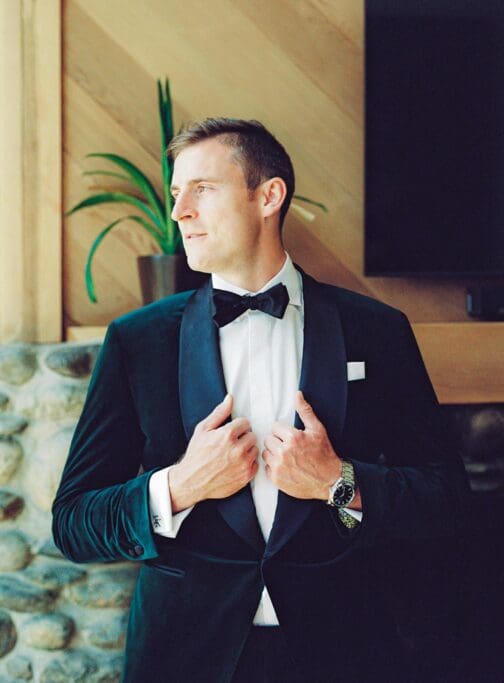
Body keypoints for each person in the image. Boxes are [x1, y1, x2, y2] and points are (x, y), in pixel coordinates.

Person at [52, 118, 468, 681]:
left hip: (344, 652)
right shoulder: (138, 341)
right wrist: (179, 486)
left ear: (268, 196)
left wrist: (336, 482)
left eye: (202, 189)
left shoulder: (377, 330)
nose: (179, 213)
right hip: (184, 657)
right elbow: (74, 521)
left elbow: (446, 500)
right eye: (177, 195)